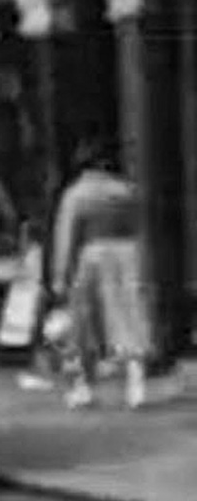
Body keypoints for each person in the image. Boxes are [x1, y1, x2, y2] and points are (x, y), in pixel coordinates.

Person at [50, 143, 152, 409]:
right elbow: (141, 227)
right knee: (129, 317)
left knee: (83, 325)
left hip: (92, 255)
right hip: (129, 254)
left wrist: (60, 276)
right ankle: (136, 385)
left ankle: (83, 388)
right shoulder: (127, 191)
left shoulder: (77, 194)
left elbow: (66, 237)